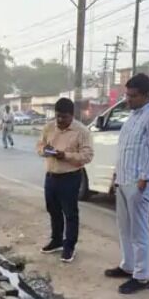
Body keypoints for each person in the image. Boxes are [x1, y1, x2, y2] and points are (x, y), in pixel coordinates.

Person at [104, 73, 149, 294]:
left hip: (138, 182)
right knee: (124, 228)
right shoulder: (131, 118)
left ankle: (141, 277)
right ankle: (128, 266)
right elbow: (124, 151)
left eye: (133, 96)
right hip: (123, 180)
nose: (128, 100)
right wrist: (115, 177)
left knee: (139, 231)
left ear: (147, 95)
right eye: (127, 95)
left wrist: (145, 179)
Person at [37, 98, 94, 263]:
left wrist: (66, 156)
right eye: (58, 117)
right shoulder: (49, 127)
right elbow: (39, 145)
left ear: (72, 115)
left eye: (64, 117)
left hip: (70, 177)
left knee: (70, 213)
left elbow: (87, 155)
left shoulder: (81, 131)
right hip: (51, 176)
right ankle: (56, 240)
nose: (60, 120)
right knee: (53, 210)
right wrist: (45, 151)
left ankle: (69, 246)